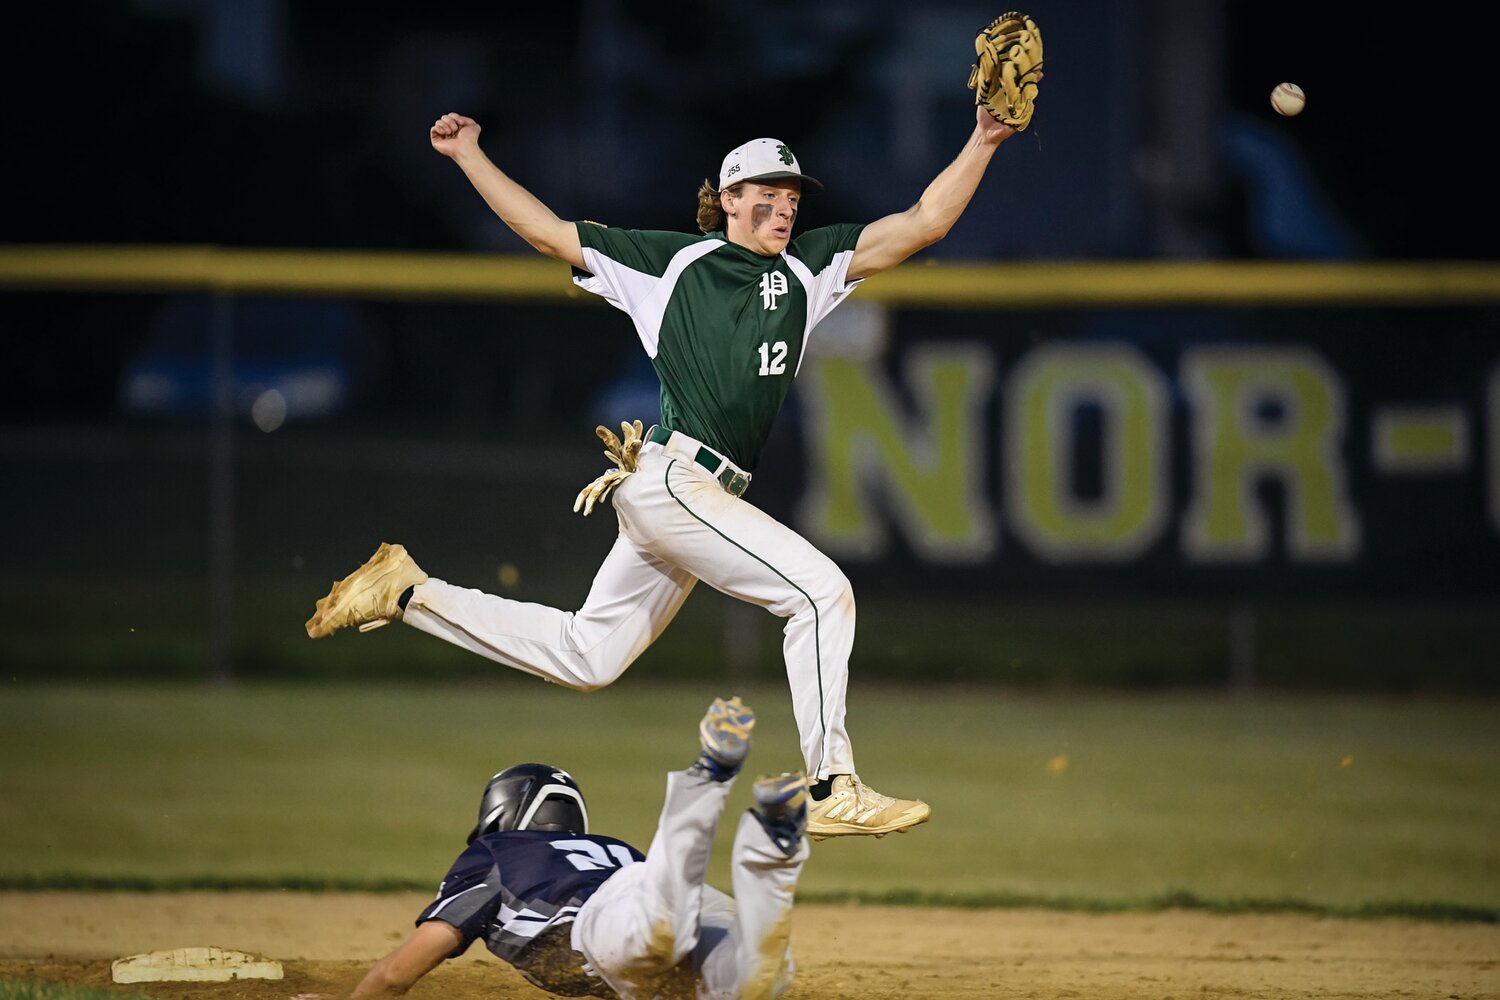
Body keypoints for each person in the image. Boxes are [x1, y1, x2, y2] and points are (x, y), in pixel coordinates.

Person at [306, 105, 1020, 838]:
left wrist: (984, 139)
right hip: (674, 479)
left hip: (689, 495)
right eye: (767, 193)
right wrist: (468, 157)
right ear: (730, 200)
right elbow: (547, 232)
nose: (784, 206)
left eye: (794, 195)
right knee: (820, 593)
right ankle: (832, 783)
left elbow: (925, 220)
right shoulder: (672, 265)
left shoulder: (812, 267)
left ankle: (408, 592)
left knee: (590, 655)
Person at [350, 696, 810, 999]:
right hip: (657, 899)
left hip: (613, 925)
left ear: (501, 813)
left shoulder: (496, 852)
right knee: (760, 978)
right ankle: (773, 841)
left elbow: (398, 972)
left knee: (664, 931)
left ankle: (707, 777)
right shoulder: (610, 847)